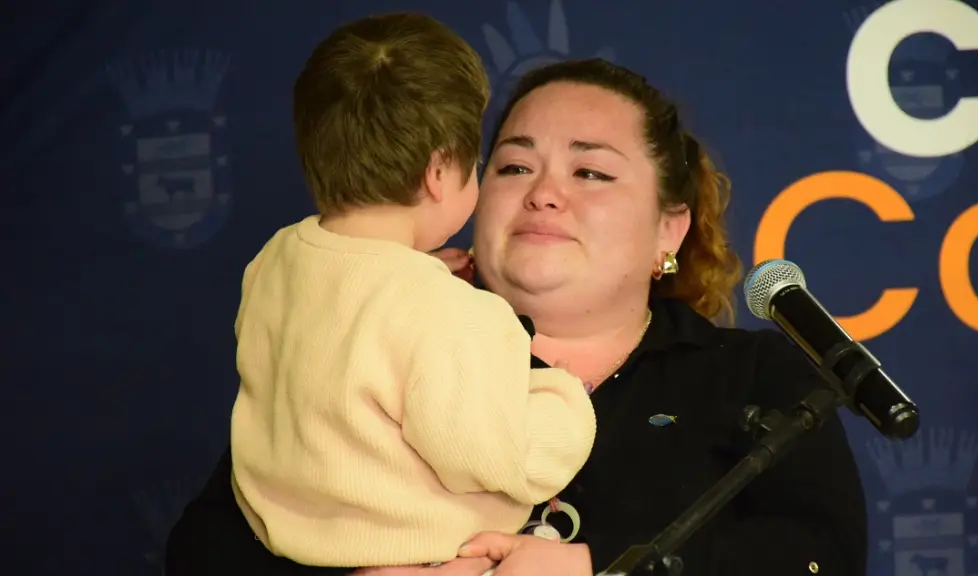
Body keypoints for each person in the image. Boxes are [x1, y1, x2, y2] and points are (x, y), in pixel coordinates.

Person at [166, 57, 868, 576]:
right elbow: (204, 549)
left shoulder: (753, 376)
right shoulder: (365, 336)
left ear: (670, 230)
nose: (544, 195)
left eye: (590, 172)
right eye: (512, 168)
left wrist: (589, 565)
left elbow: (818, 557)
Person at [228, 11, 597, 572]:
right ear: (438, 171)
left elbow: (341, 335)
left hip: (286, 541)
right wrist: (561, 396)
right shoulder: (450, 311)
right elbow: (501, 458)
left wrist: (413, 276)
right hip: (420, 553)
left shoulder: (274, 259)